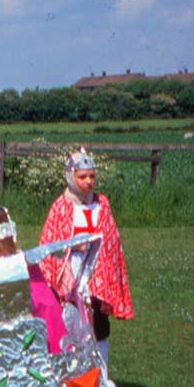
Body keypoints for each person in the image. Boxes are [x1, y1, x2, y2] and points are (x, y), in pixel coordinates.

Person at [37, 148, 133, 372]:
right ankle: (72, 374)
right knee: (71, 321)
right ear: (71, 177)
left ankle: (101, 374)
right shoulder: (61, 207)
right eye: (82, 176)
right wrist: (72, 246)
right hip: (71, 270)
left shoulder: (102, 204)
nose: (88, 181)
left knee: (99, 324)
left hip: (98, 271)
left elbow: (111, 239)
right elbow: (50, 242)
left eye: (92, 176)